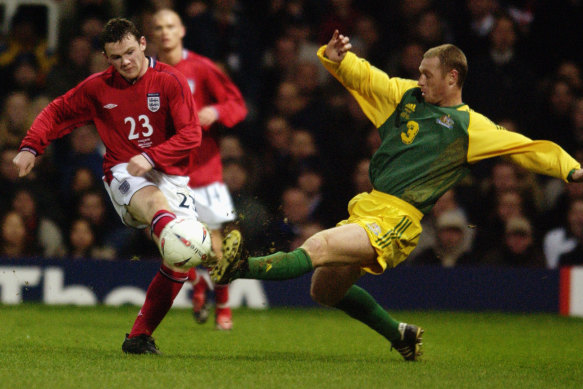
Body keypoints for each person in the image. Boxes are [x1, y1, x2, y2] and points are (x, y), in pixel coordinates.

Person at [210, 30, 583, 362]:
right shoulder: (406, 96)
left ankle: (239, 266)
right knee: (324, 290)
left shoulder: (471, 127)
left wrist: (571, 169)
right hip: (369, 205)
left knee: (318, 245)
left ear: (453, 78)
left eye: (427, 74)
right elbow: (371, 78)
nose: (419, 79)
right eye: (419, 72)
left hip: (398, 220)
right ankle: (399, 334)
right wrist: (339, 58)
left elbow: (526, 148)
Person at [12, 18, 204, 354]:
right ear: (106, 57)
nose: (125, 62)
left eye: (130, 52)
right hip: (124, 170)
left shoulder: (171, 81)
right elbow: (56, 111)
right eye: (116, 57)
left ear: (143, 44)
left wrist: (153, 156)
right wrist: (31, 147)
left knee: (181, 260)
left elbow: (191, 135)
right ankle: (169, 227)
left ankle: (139, 336)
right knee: (158, 206)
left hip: (170, 174)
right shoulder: (97, 87)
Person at [151, 9, 248, 330]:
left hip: (204, 172)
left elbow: (237, 105)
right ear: (151, 35)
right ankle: (198, 286)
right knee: (167, 240)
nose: (164, 32)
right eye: (158, 28)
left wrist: (216, 111)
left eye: (170, 26)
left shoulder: (202, 68)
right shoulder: (147, 74)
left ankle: (222, 305)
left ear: (182, 31)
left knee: (214, 248)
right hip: (165, 173)